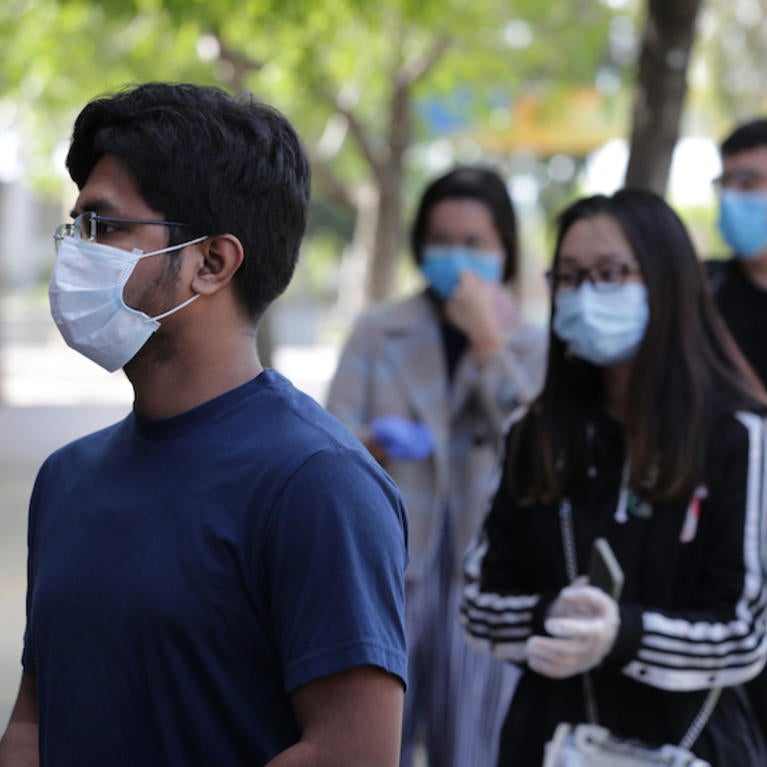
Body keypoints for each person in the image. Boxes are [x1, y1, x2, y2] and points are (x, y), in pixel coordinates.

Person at [0, 82, 408, 767]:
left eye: (104, 226)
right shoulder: (65, 479)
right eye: (75, 228)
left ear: (211, 263)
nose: (74, 253)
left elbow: (349, 752)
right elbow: (34, 719)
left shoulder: (318, 484)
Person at [461, 189, 767, 766]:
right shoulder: (536, 432)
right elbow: (479, 603)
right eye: (568, 277)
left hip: (692, 746)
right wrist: (551, 615)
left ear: (666, 281)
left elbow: (744, 632)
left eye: (609, 274)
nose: (583, 295)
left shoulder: (736, 436)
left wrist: (621, 635)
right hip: (548, 744)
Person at [326, 167, 546, 767]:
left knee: (475, 748)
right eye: (442, 241)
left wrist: (488, 343)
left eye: (475, 242)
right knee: (373, 743)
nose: (458, 257)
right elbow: (328, 442)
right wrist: (373, 442)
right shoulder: (379, 332)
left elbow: (541, 452)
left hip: (488, 578)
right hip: (392, 572)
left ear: (505, 248)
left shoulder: (529, 344)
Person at [709, 118, 767, 747]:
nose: (734, 198)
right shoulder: (704, 293)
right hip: (719, 556)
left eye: (751, 182)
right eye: (726, 183)